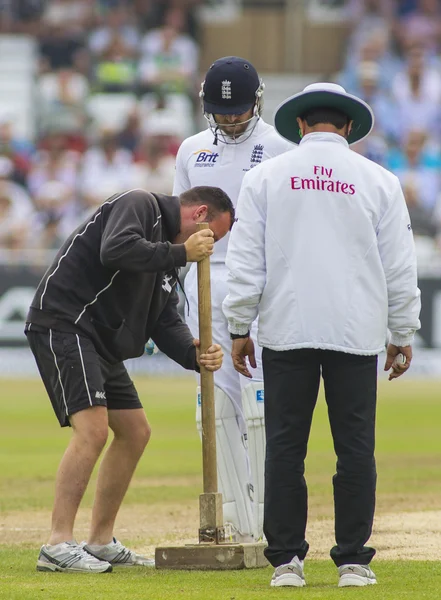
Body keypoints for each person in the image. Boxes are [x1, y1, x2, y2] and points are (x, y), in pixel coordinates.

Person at [223, 82, 421, 587]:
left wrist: (239, 326)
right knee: (355, 448)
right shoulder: (379, 180)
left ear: (302, 126)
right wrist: (403, 331)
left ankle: (287, 561)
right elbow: (400, 266)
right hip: (355, 333)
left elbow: (246, 260)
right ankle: (353, 560)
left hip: (287, 329)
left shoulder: (265, 177)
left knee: (286, 447)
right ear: (349, 127)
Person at [25, 185, 233, 573]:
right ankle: (57, 544)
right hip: (65, 322)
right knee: (93, 430)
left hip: (100, 341)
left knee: (135, 431)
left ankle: (100, 541)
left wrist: (194, 354)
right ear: (200, 213)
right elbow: (116, 249)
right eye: (212, 236)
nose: (209, 247)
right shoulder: (140, 204)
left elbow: (163, 319)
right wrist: (181, 253)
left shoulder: (169, 257)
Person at [173, 56, 293, 542]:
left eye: (237, 112)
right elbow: (179, 219)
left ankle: (270, 519)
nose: (228, 120)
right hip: (205, 279)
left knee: (261, 400)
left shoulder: (281, 146)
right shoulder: (191, 149)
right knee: (217, 400)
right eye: (220, 112)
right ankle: (236, 519)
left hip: (262, 283)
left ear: (257, 101)